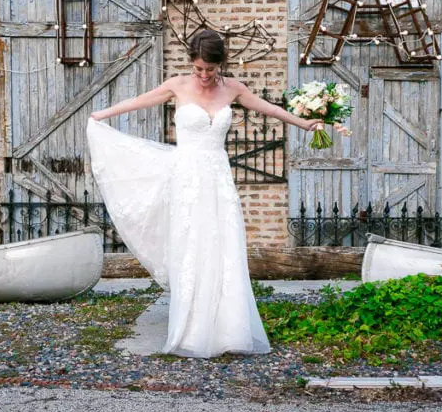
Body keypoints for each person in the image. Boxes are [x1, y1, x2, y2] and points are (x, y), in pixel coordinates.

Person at [86, 29, 324, 358]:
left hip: (218, 178)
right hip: (187, 178)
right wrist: (102, 115)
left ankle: (228, 329)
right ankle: (192, 328)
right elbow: (140, 101)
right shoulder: (178, 85)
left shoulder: (233, 89)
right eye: (198, 69)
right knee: (192, 246)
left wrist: (305, 123)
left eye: (209, 69)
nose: (203, 75)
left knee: (223, 245)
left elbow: (270, 109)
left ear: (219, 65)